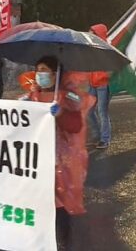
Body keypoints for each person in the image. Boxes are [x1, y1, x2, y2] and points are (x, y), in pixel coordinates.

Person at [22, 56, 94, 248]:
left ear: (55, 74)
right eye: (38, 70)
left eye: (44, 70)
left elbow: (76, 125)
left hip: (58, 162)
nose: (39, 75)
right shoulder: (31, 96)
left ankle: (62, 241)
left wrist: (61, 113)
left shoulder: (67, 97)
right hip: (36, 160)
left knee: (58, 205)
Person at [87, 24, 112, 149]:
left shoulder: (106, 49)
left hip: (102, 84)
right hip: (92, 83)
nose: (89, 34)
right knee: (89, 110)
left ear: (98, 34)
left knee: (102, 112)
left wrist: (105, 76)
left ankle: (105, 139)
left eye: (92, 32)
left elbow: (112, 67)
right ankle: (96, 135)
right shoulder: (91, 48)